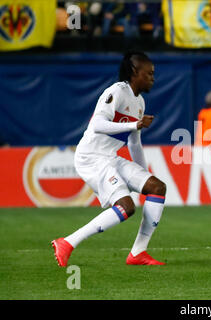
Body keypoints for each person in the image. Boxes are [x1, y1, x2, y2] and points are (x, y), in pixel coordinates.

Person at [52, 51, 167, 267]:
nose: (153, 78)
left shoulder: (140, 102)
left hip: (110, 158)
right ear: (135, 72)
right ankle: (67, 242)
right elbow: (97, 125)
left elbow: (134, 143)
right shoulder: (117, 92)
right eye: (149, 73)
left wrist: (143, 176)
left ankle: (138, 253)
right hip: (91, 157)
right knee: (126, 206)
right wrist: (134, 124)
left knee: (157, 187)